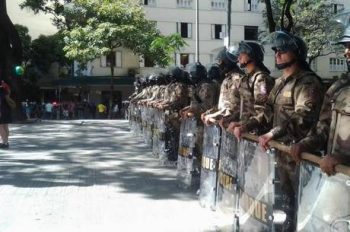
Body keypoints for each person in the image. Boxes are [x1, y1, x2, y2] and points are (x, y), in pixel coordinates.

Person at [244, 31, 324, 231]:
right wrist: (246, 126)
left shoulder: (307, 82)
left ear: (297, 53)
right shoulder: (280, 82)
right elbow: (266, 113)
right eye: (276, 51)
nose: (277, 54)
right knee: (287, 200)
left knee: (303, 203)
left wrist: (273, 133)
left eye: (283, 50)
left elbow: (303, 117)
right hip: (281, 152)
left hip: (301, 156)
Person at [291, 13, 350, 176]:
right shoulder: (339, 87)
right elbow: (323, 126)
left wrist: (343, 159)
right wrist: (304, 144)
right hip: (336, 177)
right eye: (346, 46)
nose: (346, 52)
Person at [224, 41, 274, 136]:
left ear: (251, 55)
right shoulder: (246, 78)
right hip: (247, 132)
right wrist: (231, 120)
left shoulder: (261, 78)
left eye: (242, 54)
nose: (239, 58)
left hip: (259, 133)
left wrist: (244, 126)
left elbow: (264, 112)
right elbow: (242, 109)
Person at [0, 80, 12, 149]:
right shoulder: (6, 91)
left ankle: (4, 143)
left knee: (0, 127)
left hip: (1, 110)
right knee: (5, 126)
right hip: (7, 110)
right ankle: (6, 142)